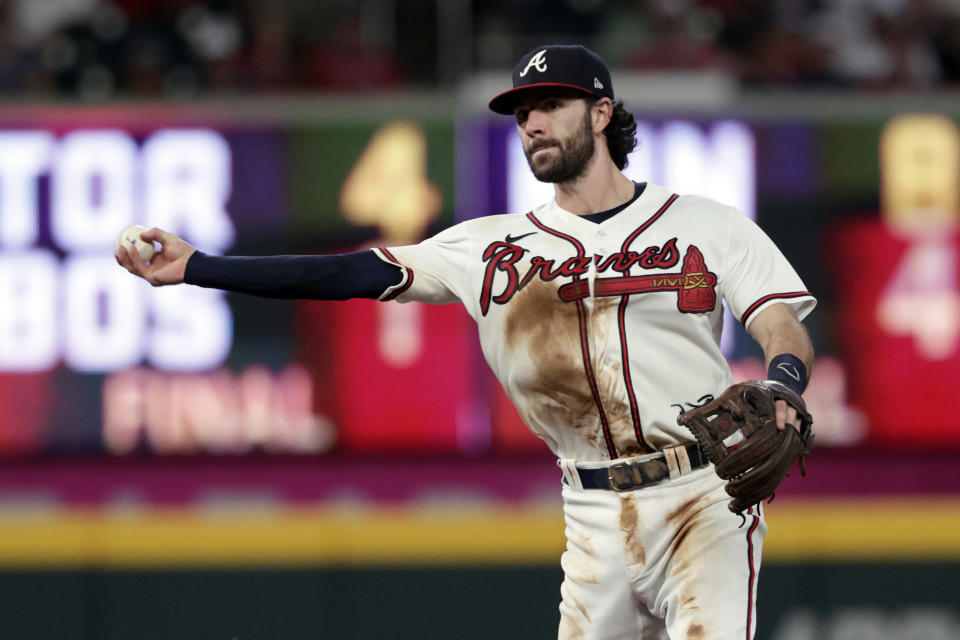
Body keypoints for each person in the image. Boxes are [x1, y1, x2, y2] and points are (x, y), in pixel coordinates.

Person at [116, 44, 815, 639]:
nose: (531, 123)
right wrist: (200, 268)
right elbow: (349, 273)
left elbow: (780, 321)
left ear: (602, 113)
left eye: (551, 105)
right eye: (521, 113)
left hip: (702, 493)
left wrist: (782, 380)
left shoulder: (703, 223)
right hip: (593, 508)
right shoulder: (489, 245)